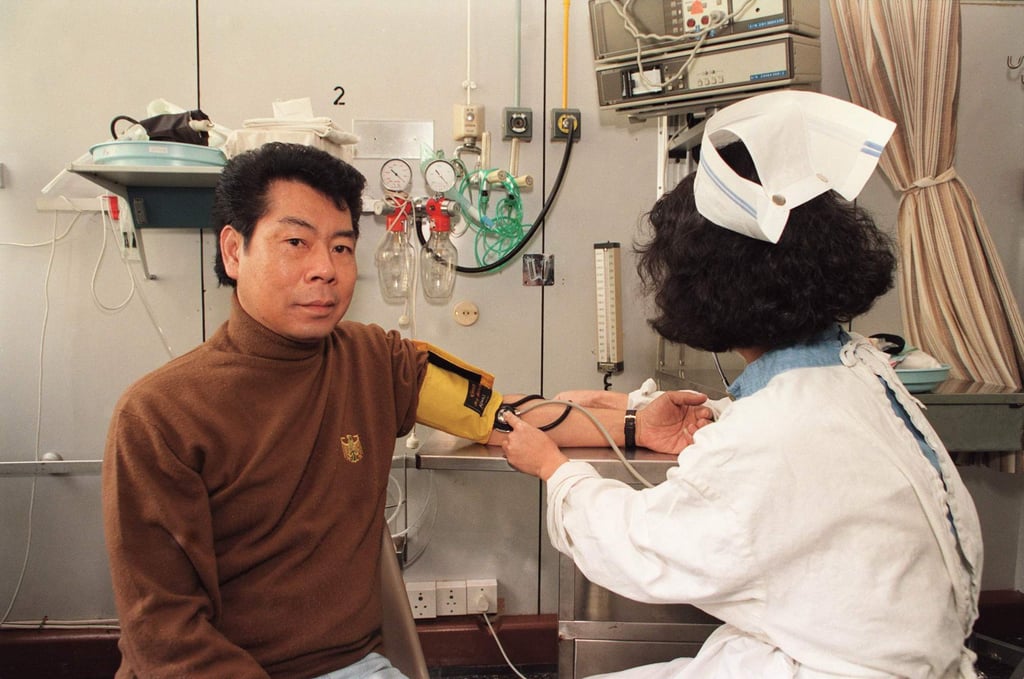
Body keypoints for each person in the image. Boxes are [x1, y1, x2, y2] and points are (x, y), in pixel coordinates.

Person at [101, 141, 712, 679]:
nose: (325, 269)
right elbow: (165, 636)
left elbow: (501, 413)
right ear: (234, 251)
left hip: (351, 666)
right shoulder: (160, 415)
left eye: (342, 247)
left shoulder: (374, 360)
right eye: (296, 242)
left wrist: (635, 423)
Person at [501, 91, 983, 678]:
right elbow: (817, 451)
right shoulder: (860, 368)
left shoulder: (772, 434)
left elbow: (645, 548)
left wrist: (556, 469)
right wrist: (659, 413)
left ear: (704, 285)